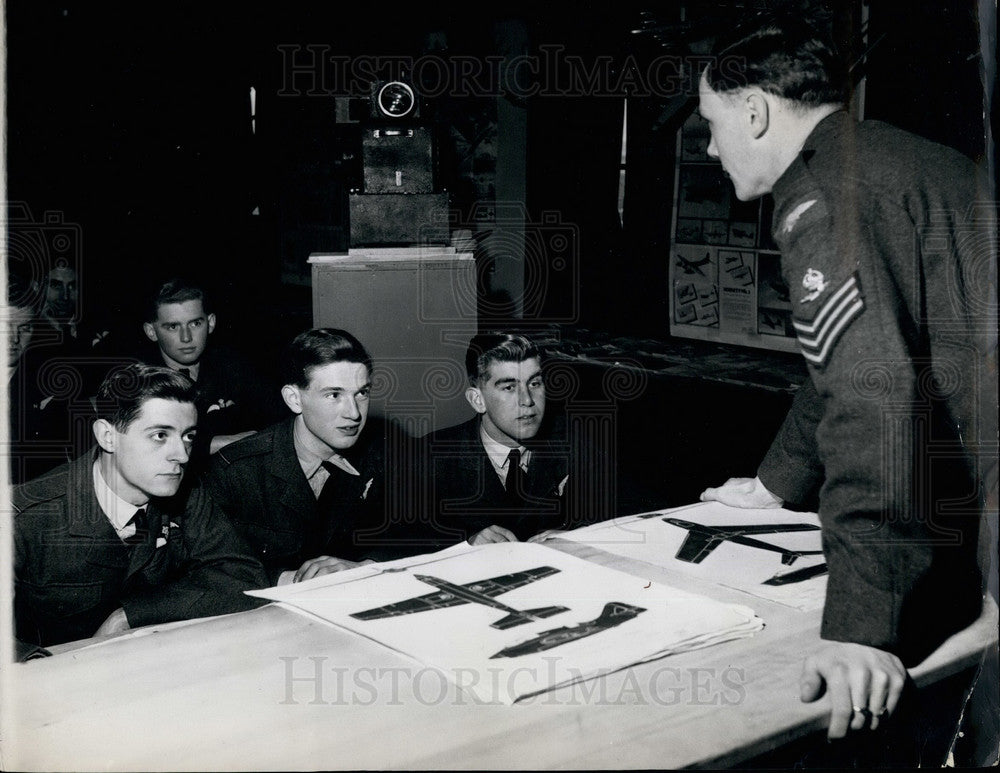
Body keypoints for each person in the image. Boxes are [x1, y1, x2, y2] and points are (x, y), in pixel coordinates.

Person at [694, 15, 995, 742]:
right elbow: (845, 360)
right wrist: (774, 484)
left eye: (711, 123)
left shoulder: (822, 198)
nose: (709, 146)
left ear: (755, 111)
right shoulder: (896, 158)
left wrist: (861, 626)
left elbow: (873, 404)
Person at [12, 364, 268, 650]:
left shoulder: (184, 492)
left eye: (189, 437)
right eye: (160, 435)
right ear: (107, 436)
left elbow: (243, 576)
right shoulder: (24, 515)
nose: (182, 455)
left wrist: (131, 616)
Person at [205, 328, 406, 586]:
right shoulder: (235, 471)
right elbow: (211, 568)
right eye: (334, 395)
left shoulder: (385, 452)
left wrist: (366, 567)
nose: (354, 413)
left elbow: (421, 530)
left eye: (362, 393)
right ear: (294, 399)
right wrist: (291, 580)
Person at [413, 332, 607, 549]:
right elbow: (404, 539)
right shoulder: (429, 456)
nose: (527, 401)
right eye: (509, 387)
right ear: (478, 400)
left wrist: (578, 536)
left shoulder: (573, 438)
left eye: (535, 383)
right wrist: (465, 544)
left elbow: (621, 510)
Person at [141, 278, 279, 463]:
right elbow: (149, 449)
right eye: (173, 327)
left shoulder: (232, 364)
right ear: (151, 331)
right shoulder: (141, 381)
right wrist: (222, 442)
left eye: (195, 323)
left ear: (211, 322)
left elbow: (276, 418)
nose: (186, 337)